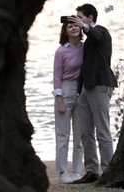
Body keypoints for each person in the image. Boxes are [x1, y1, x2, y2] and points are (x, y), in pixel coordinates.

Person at [69, 3, 118, 184]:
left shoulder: (101, 32)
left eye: (80, 17)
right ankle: (91, 171)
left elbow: (95, 35)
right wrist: (78, 90)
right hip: (86, 88)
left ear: (90, 18)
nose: (78, 21)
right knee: (85, 132)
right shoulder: (88, 38)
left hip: (100, 85)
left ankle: (107, 171)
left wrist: (84, 27)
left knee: (102, 131)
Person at [53, 20, 85, 184]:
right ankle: (63, 171)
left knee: (80, 135)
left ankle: (77, 172)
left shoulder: (86, 48)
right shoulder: (61, 52)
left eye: (76, 26)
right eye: (70, 26)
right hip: (65, 91)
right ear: (65, 31)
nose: (73, 28)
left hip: (82, 91)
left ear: (81, 29)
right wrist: (59, 99)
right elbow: (56, 77)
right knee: (63, 135)